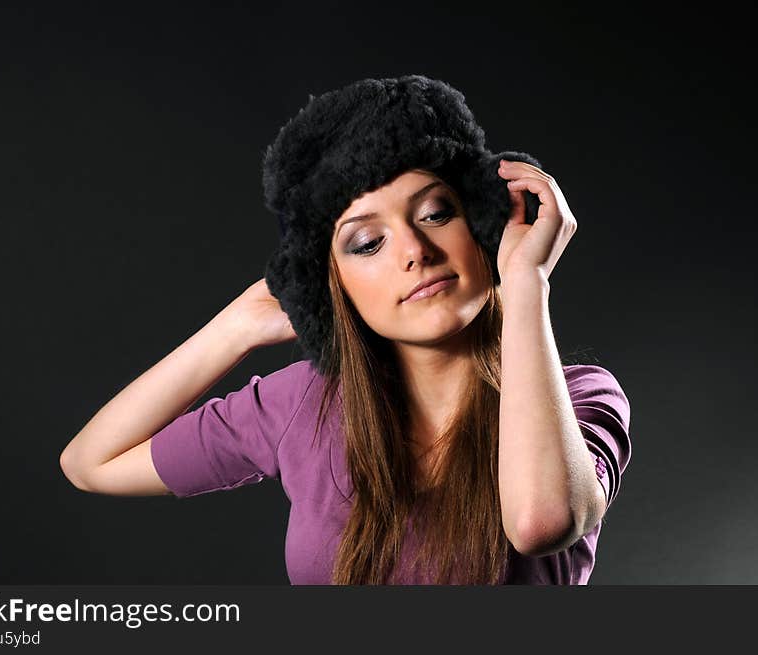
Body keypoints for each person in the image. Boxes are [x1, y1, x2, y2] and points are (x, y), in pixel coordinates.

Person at [59, 75, 632, 585]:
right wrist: (233, 329)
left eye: (436, 212)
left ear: (483, 222)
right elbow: (91, 463)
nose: (415, 251)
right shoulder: (301, 404)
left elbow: (539, 523)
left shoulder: (582, 398)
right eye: (367, 243)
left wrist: (526, 281)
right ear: (334, 284)